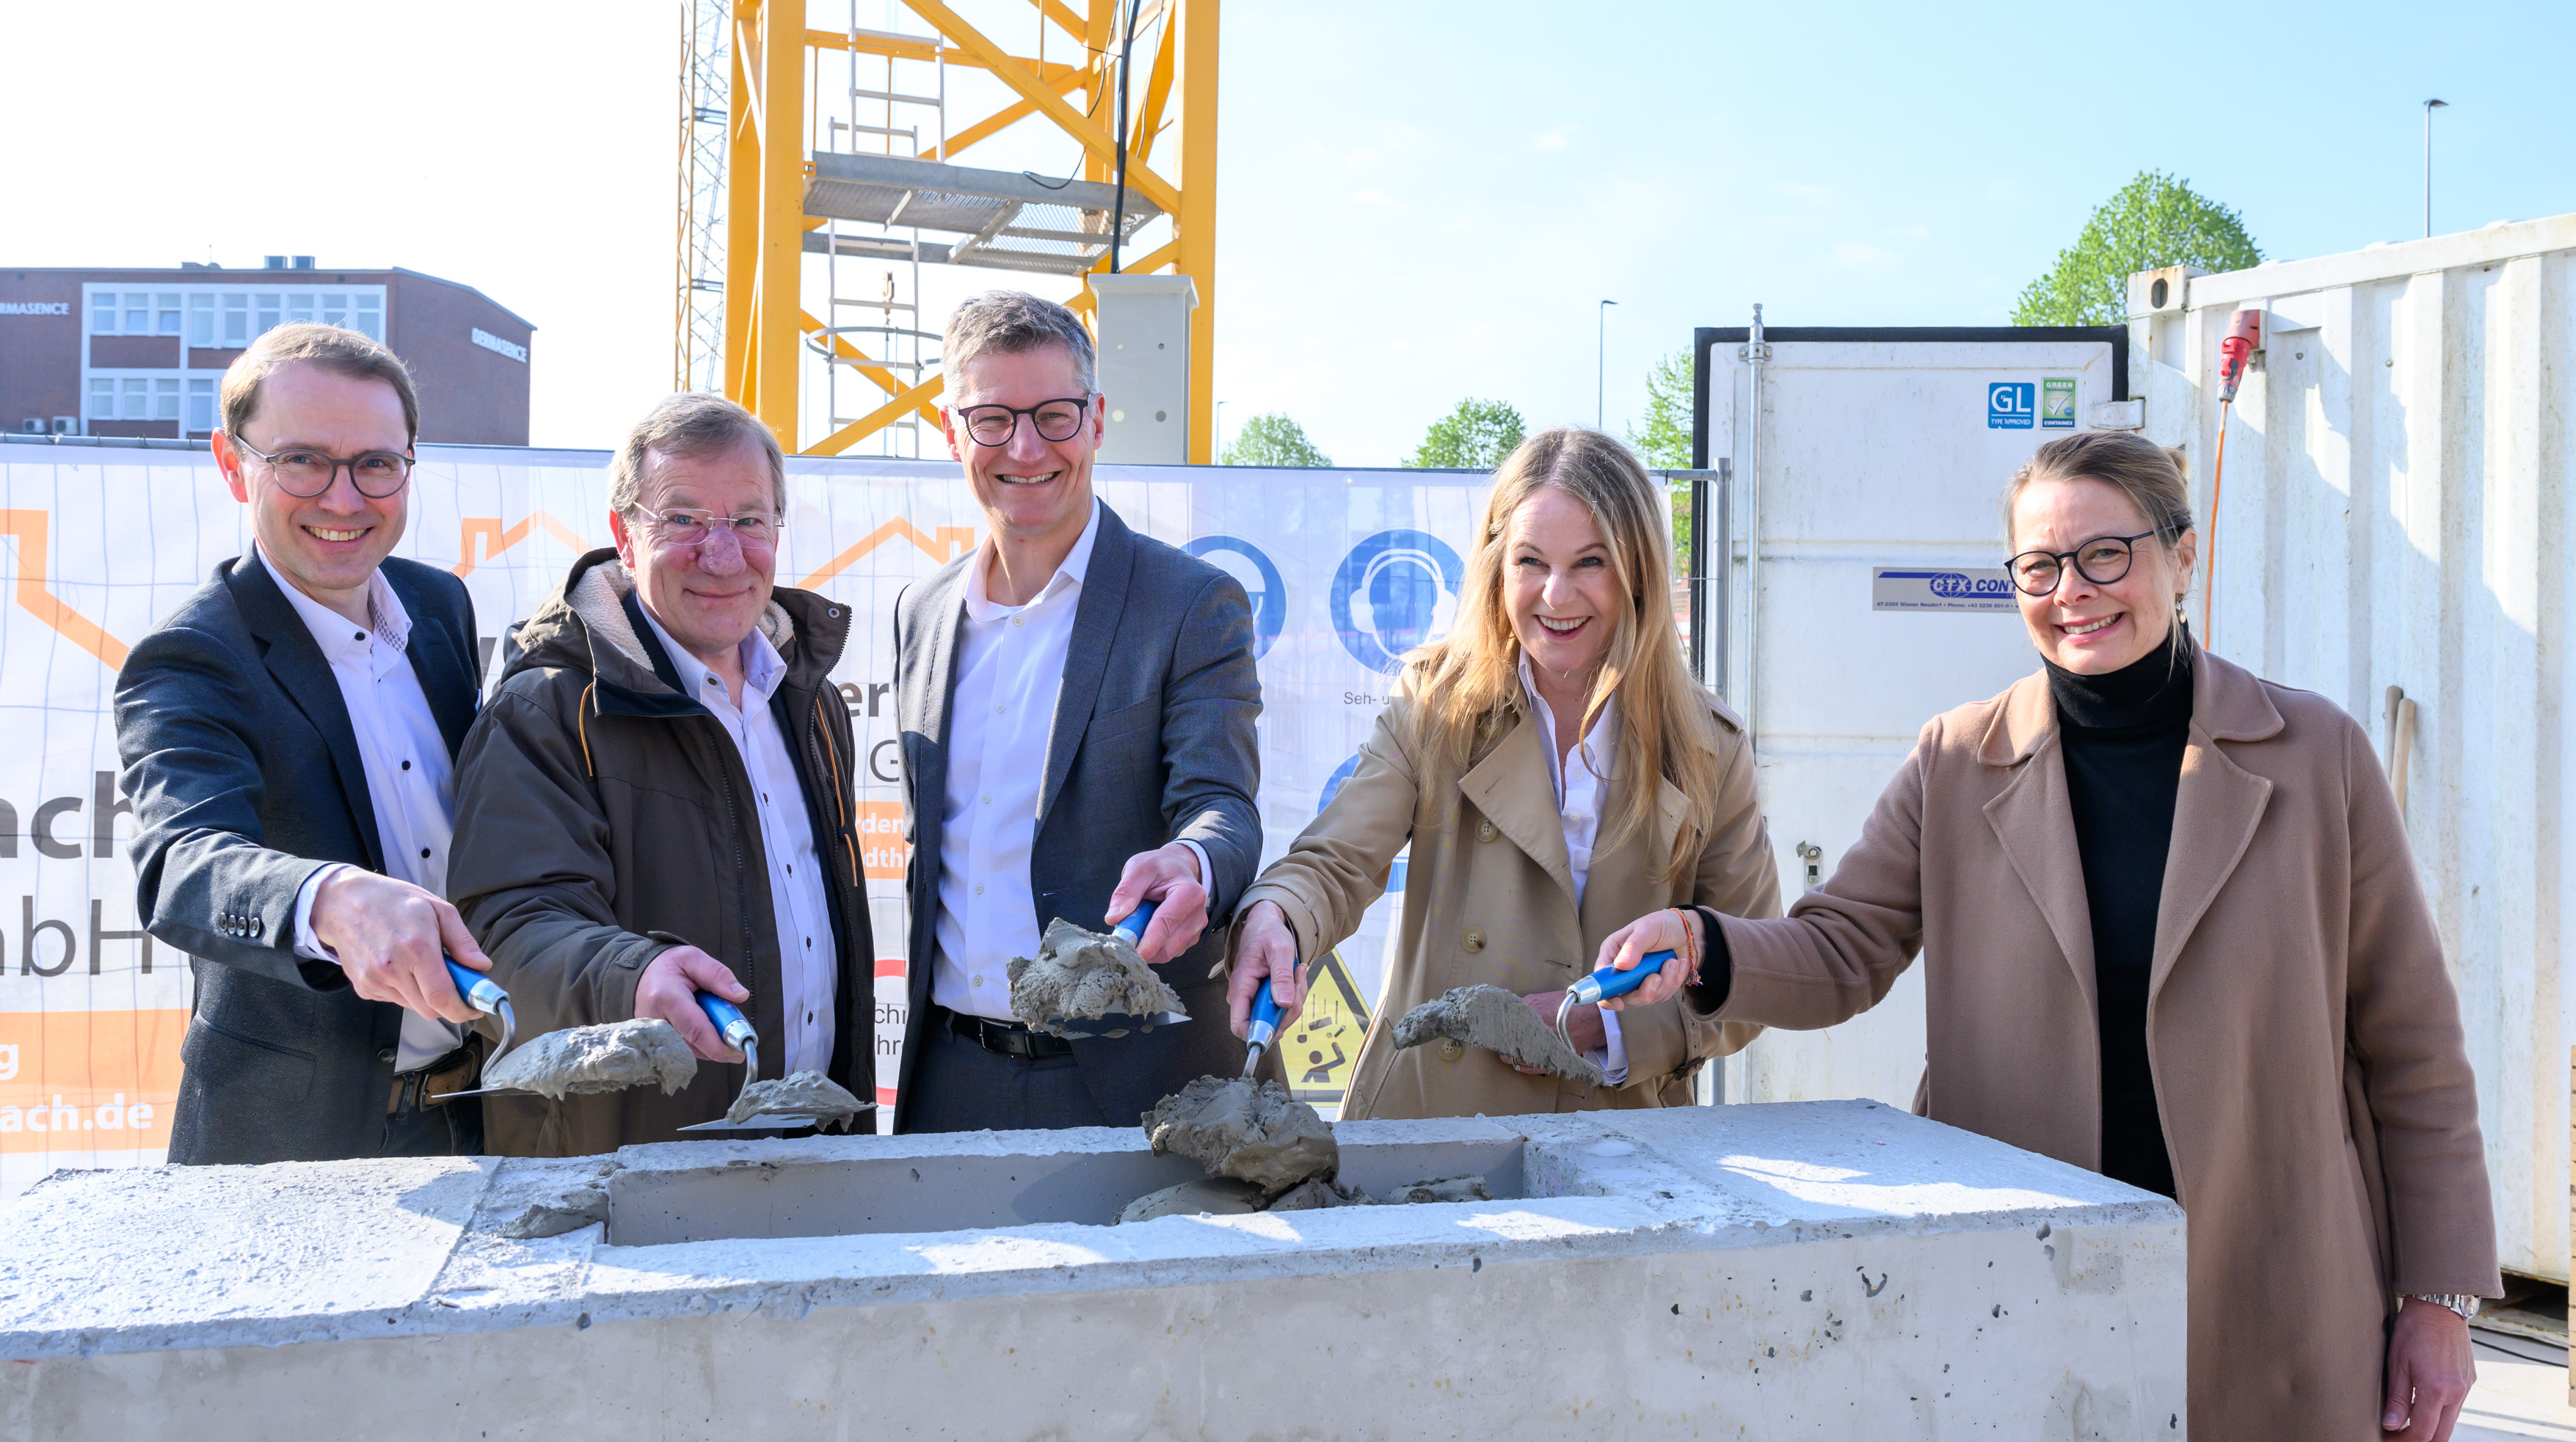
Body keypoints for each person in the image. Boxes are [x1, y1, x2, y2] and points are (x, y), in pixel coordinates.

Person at [1590, 429, 2497, 1442]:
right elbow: (1846, 947)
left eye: (2106, 553)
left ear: (2186, 557)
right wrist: (1709, 945)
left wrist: (2440, 1298)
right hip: (2034, 1285)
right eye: (2038, 566)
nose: (2073, 590)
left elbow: (2414, 1048)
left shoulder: (2316, 758)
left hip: (2280, 1287)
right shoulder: (1959, 761)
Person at [1223, 427, 1778, 1118]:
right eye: (1530, 562)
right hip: (1430, 1125)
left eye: (1590, 562)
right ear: (1496, 568)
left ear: (1638, 571)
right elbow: (1338, 861)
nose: (1556, 594)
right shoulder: (1435, 707)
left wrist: (1600, 1026)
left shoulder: (1706, 747)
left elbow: (1752, 971)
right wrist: (1279, 916)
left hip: (1620, 1149)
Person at [448, 394, 873, 1154]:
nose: (722, 553)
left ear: (778, 528)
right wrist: (633, 976)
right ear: (624, 534)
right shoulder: (549, 707)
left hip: (817, 1149)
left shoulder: (809, 700)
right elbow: (504, 933)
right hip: (631, 1169)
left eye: (748, 520)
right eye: (683, 520)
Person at [889, 291, 1262, 1134]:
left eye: (1054, 416)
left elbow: (1222, 805)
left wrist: (1194, 865)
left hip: (1127, 1087)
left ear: (1095, 422)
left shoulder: (1191, 603)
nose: (1025, 448)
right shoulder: (921, 611)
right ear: (953, 433)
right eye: (992, 419)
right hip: (947, 1082)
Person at [115, 324, 491, 1162]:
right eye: (303, 461)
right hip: (297, 1145)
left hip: (481, 1112)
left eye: (376, 463)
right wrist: (328, 900)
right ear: (230, 462)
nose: (345, 498)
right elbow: (181, 862)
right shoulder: (193, 657)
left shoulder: (440, 610)